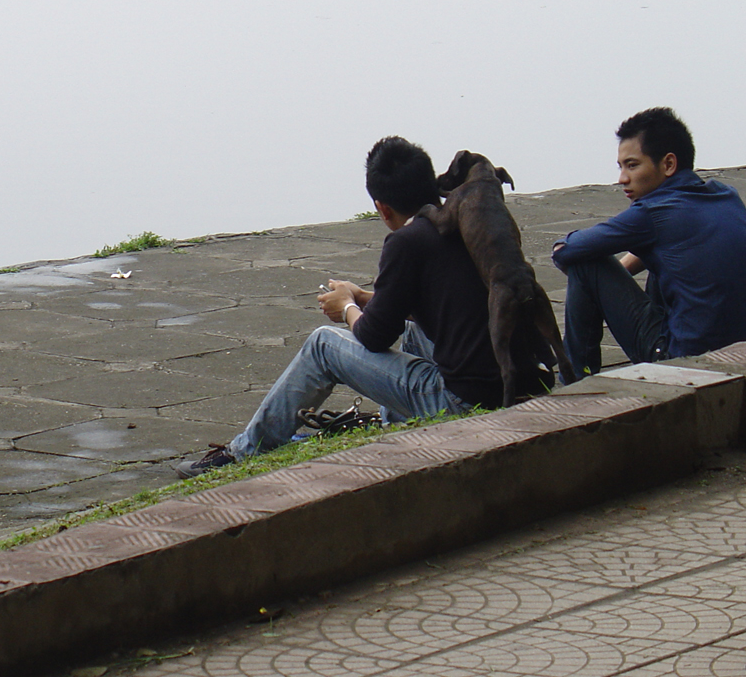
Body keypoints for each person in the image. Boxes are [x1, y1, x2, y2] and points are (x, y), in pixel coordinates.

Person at [176, 136, 531, 479]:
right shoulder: (461, 224)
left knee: (323, 345)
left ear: (382, 207)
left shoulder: (405, 242)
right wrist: (363, 297)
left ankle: (243, 452)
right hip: (511, 382)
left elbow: (374, 336)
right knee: (411, 330)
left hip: (464, 401)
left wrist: (346, 306)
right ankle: (400, 424)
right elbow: (428, 305)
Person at [551, 107, 746, 379]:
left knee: (587, 263)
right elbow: (669, 241)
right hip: (736, 355)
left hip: (682, 362)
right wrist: (621, 273)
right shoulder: (726, 194)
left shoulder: (651, 213)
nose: (622, 179)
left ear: (668, 164)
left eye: (632, 165)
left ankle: (574, 382)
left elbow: (568, 252)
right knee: (664, 259)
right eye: (620, 167)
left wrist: (572, 256)